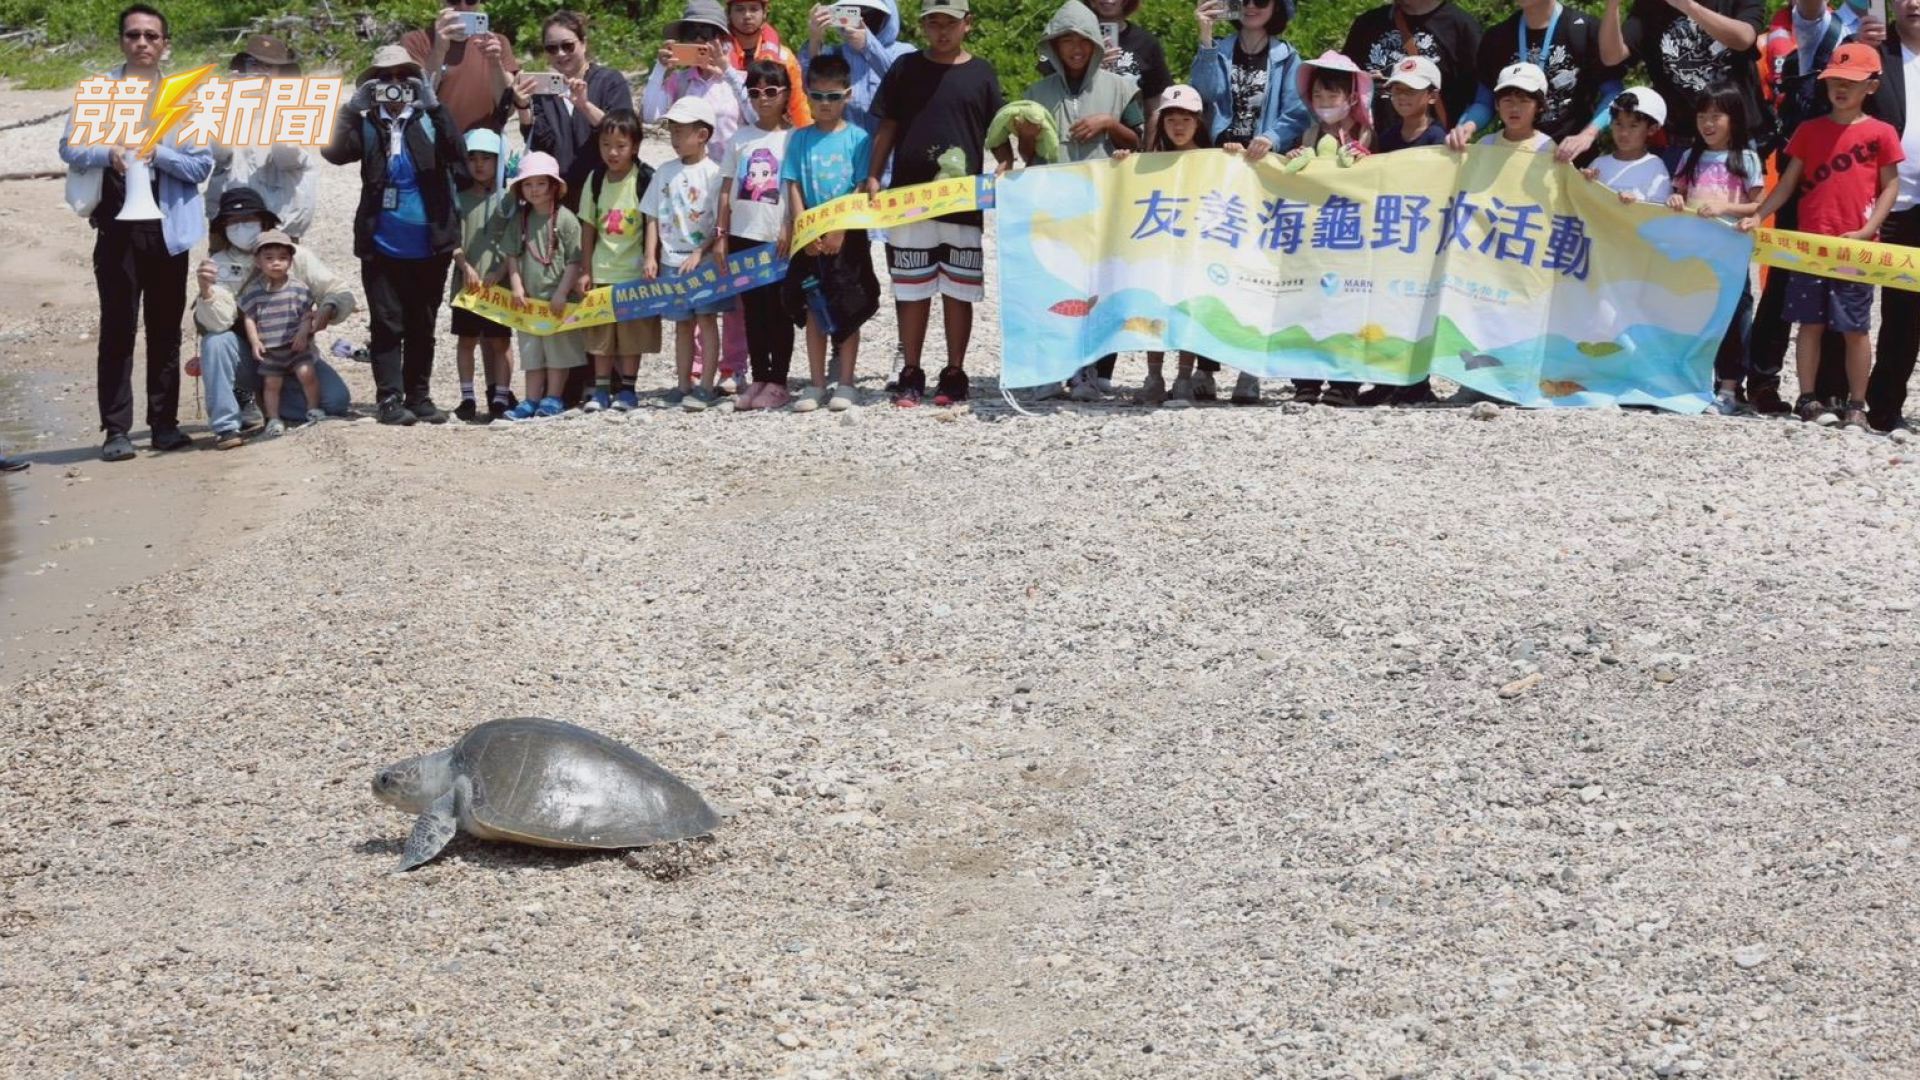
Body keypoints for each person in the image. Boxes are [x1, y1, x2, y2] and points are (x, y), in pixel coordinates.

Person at [57, 3, 213, 461]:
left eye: (151, 36)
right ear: (121, 41)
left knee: (166, 329)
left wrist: (156, 151)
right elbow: (69, 146)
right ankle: (116, 431)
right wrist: (110, 153)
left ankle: (164, 424)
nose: (142, 43)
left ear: (165, 44)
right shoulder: (101, 91)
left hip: (167, 228)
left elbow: (200, 163)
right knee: (118, 329)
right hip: (115, 228)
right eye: (133, 35)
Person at [1740, 42, 1904, 430]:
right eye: (1835, 81)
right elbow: (1788, 184)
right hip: (1810, 246)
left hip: (1854, 247)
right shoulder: (1809, 131)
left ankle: (1857, 405)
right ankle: (1808, 398)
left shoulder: (1881, 133)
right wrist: (1759, 214)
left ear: (1872, 87)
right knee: (1808, 325)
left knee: (1855, 328)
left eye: (1852, 81)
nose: (1841, 89)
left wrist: (1867, 230)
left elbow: (1890, 188)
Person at [323, 43, 475, 426]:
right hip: (381, 242)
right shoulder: (369, 122)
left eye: (402, 78)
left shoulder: (428, 117)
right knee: (387, 323)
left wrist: (433, 104)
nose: (393, 86)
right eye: (383, 79)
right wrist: (349, 109)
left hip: (430, 243)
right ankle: (390, 399)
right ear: (372, 85)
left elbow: (459, 157)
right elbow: (334, 153)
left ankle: (419, 397)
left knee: (423, 323)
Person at [863, 0, 1005, 408]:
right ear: (923, 26)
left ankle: (955, 371)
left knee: (959, 289)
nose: (941, 31)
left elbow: (997, 131)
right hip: (910, 199)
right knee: (911, 287)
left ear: (967, 25)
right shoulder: (905, 67)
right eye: (933, 23)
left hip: (962, 202)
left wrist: (1007, 164)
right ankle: (911, 370)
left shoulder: (981, 72)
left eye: (950, 23)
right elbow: (887, 123)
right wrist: (874, 174)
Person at [1748, 0, 1874, 415]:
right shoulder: (1772, 34)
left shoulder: (1854, 28)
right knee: (1782, 281)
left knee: (1843, 282)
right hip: (1795, 157)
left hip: (1841, 163)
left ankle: (1832, 388)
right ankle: (1764, 381)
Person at [1191, 0, 1306, 403]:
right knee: (1212, 263)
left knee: (1256, 267)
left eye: (1263, 0)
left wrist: (1271, 137)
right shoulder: (1219, 51)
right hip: (1221, 166)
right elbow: (1202, 97)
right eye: (1244, 0)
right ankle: (1205, 368)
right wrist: (1205, 38)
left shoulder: (1289, 58)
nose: (1253, 7)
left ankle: (1249, 367)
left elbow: (1297, 112)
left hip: (1263, 170)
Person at [193, 186, 355, 449]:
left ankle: (269, 402)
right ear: (222, 228)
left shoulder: (295, 255)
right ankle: (226, 426)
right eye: (233, 222)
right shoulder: (218, 264)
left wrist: (328, 308)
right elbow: (218, 323)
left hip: (295, 352)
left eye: (248, 220)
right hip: (252, 356)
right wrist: (206, 291)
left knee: (335, 403)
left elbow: (338, 290)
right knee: (216, 341)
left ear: (264, 221)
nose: (241, 227)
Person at [781, 54, 880, 413]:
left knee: (848, 307)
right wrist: (804, 232)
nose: (825, 104)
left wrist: (839, 230)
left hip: (847, 237)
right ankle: (816, 382)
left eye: (833, 96)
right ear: (807, 95)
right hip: (810, 237)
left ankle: (848, 382)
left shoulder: (859, 138)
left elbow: (859, 186)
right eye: (818, 96)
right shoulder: (799, 139)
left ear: (848, 95)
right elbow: (791, 185)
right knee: (812, 308)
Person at [1106, 84, 1213, 407]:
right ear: (1161, 123)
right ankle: (1153, 377)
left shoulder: (1212, 159)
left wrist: (1235, 153)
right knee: (1155, 306)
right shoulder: (1149, 161)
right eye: (1171, 120)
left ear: (1198, 123)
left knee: (1187, 310)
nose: (1178, 126)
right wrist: (1124, 162)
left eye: (1185, 119)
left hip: (1195, 250)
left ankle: (1184, 378)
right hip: (1158, 249)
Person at [1670, 84, 1766, 413]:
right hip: (1696, 254)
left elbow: (1757, 206)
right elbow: (1678, 195)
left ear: (1734, 119)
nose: (1707, 124)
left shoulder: (1747, 158)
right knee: (1695, 314)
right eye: (1701, 116)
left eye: (1716, 116)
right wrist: (1677, 199)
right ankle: (1693, 379)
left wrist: (1725, 206)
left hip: (1731, 256)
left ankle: (1728, 386)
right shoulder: (1689, 156)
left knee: (1734, 316)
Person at [1288, 52, 1374, 408]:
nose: (1325, 103)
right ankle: (1306, 380)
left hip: (1352, 233)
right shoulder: (1308, 133)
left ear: (1351, 97)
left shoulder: (1365, 133)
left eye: (1332, 96)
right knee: (1308, 303)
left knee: (1349, 305)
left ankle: (1345, 381)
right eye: (1319, 96)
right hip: (1313, 234)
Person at [1446, 0, 1621, 161]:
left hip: (1569, 157)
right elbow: (1484, 100)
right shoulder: (1497, 37)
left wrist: (1588, 134)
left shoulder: (1585, 29)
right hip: (1513, 157)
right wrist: (1467, 126)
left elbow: (1613, 92)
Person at [645, 97, 731, 411]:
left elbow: (719, 220)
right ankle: (683, 383)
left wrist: (700, 250)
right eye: (672, 131)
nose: (675, 138)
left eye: (682, 131)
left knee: (706, 320)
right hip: (670, 260)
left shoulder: (715, 173)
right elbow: (652, 214)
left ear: (703, 135)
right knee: (681, 324)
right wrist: (650, 255)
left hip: (703, 262)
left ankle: (706, 384)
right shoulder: (663, 171)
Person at [1601, 0, 1772, 155]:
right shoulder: (1649, 6)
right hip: (1684, 140)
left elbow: (1744, 38)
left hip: (1738, 136)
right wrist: (1612, 6)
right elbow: (1612, 56)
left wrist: (1688, 6)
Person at [725, 61, 799, 411]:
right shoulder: (740, 137)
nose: (763, 99)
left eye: (771, 91)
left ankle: (779, 380)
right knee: (752, 310)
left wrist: (789, 225)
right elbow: (727, 188)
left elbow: (796, 188)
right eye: (755, 92)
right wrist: (721, 234)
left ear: (786, 94)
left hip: (777, 236)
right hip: (742, 234)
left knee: (778, 309)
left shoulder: (795, 137)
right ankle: (759, 377)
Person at [577, 109, 660, 413]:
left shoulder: (644, 178)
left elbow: (652, 220)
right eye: (605, 144)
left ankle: (627, 388)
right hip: (601, 269)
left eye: (620, 145)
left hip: (632, 272)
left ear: (635, 146)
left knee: (631, 335)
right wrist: (586, 269)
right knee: (600, 334)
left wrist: (651, 257)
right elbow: (588, 226)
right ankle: (600, 389)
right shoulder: (595, 179)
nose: (612, 152)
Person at [513, 11, 636, 211]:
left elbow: (626, 133)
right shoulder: (544, 92)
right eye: (552, 48)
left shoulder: (610, 81)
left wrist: (585, 107)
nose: (561, 53)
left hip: (607, 189)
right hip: (562, 195)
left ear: (583, 43)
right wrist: (522, 106)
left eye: (567, 45)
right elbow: (541, 144)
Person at [1864, 0, 1920, 432]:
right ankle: (1879, 407)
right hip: (1888, 201)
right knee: (1898, 310)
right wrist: (1858, 48)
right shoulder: (1875, 52)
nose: (1914, 3)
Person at [204, 35, 316, 240]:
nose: (259, 72)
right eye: (254, 64)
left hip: (278, 219)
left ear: (281, 73)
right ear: (243, 68)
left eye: (268, 67)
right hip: (231, 216)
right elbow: (219, 155)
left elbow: (288, 159)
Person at [501, 153, 588, 420]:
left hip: (557, 302)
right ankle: (530, 399)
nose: (534, 190)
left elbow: (575, 260)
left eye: (540, 183)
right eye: (528, 184)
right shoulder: (521, 219)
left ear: (553, 186)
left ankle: (553, 397)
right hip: (529, 303)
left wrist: (562, 292)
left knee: (557, 353)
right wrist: (516, 287)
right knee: (532, 353)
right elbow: (512, 256)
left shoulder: (566, 219)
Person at [450, 128, 516, 421]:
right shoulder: (459, 198)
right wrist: (466, 268)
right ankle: (467, 397)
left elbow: (514, 242)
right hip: (467, 285)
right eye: (473, 158)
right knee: (467, 339)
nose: (479, 165)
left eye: (487, 159)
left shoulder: (509, 200)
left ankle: (500, 396)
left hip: (499, 284)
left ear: (499, 161)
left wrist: (499, 271)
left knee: (500, 342)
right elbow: (453, 240)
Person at [1342, 0, 1483, 131]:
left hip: (1431, 147)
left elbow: (1479, 97)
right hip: (1370, 147)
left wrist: (1463, 130)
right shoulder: (1367, 24)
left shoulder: (1461, 27)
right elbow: (1341, 86)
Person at [237, 230, 326, 437]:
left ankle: (314, 409)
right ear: (257, 262)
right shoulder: (253, 290)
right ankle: (274, 418)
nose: (276, 263)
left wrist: (304, 333)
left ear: (290, 261)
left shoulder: (298, 288)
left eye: (282, 258)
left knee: (307, 374)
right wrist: (254, 341)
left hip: (296, 347)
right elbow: (249, 317)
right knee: (271, 384)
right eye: (269, 258)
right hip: (271, 350)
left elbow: (307, 314)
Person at [645, 0, 751, 154]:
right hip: (692, 172)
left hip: (731, 173)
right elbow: (650, 116)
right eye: (691, 33)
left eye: (706, 32)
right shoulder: (679, 81)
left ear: (722, 38)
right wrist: (660, 69)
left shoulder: (740, 79)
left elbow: (756, 119)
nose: (699, 39)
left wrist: (726, 69)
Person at [1040, 0, 1174, 115]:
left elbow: (1155, 105)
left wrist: (1150, 144)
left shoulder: (1146, 42)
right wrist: (1090, 65)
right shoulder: (1067, 38)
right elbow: (1051, 84)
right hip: (1077, 127)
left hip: (1130, 133)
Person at [404, 1, 520, 134]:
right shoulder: (415, 41)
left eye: (470, 1)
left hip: (483, 149)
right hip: (433, 144)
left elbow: (507, 109)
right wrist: (439, 50)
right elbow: (417, 99)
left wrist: (495, 64)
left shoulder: (496, 43)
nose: (463, 7)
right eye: (454, 0)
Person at [802, 0, 913, 135]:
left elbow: (905, 85)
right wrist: (815, 39)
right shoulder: (836, 53)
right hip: (844, 151)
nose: (862, 20)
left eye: (868, 13)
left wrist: (869, 46)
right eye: (853, 12)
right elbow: (809, 85)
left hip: (889, 152)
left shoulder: (905, 52)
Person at [725, 0, 812, 128]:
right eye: (739, 9)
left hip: (770, 138)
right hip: (726, 141)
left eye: (754, 9)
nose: (747, 15)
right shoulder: (717, 57)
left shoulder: (784, 57)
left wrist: (806, 139)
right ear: (729, 14)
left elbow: (798, 106)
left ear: (765, 13)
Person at [1584, 87, 1674, 201]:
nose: (1624, 133)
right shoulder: (1598, 164)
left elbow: (1660, 211)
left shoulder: (1655, 166)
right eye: (1618, 123)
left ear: (1652, 129)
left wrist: (1636, 204)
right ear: (1610, 124)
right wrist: (1585, 184)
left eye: (1633, 126)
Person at [1376, 55, 1449, 151]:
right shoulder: (1387, 137)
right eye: (1397, 89)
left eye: (1411, 90)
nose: (1402, 96)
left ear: (1432, 96)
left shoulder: (1437, 137)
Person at [1480, 61, 1558, 151]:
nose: (1514, 109)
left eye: (1524, 101)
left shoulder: (1547, 148)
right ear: (1497, 104)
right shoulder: (1485, 144)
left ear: (1539, 106)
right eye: (1508, 101)